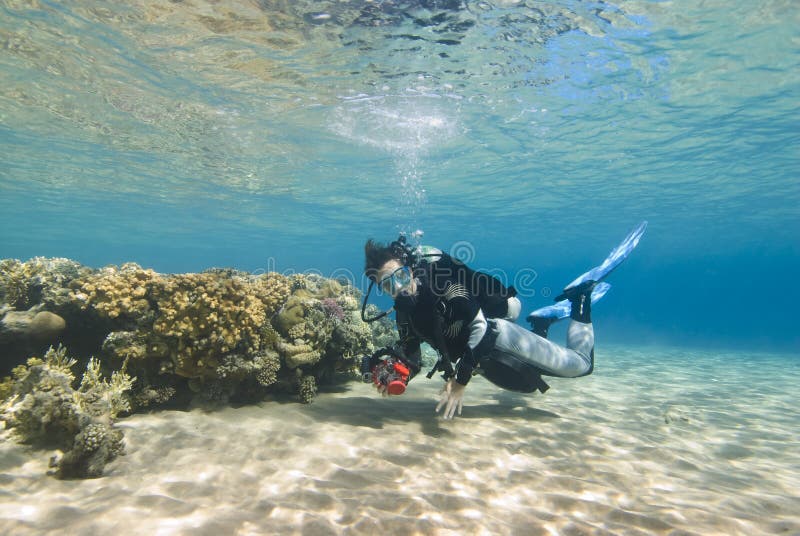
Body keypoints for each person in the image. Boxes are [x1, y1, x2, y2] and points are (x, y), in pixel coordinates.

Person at [362, 236, 598, 420]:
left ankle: (581, 298)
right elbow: (412, 355)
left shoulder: (442, 286)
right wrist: (393, 374)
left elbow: (481, 328)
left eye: (401, 276)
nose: (399, 288)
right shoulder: (404, 315)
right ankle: (541, 323)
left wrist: (460, 383)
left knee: (580, 366)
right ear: (383, 290)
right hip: (481, 358)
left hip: (498, 337)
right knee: (527, 388)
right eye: (388, 285)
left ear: (411, 270)